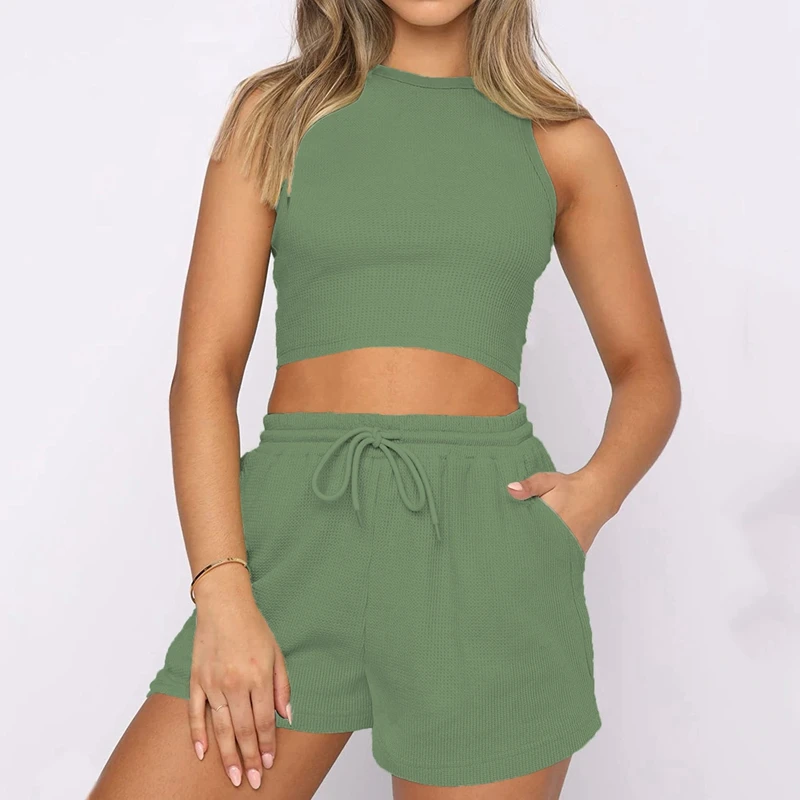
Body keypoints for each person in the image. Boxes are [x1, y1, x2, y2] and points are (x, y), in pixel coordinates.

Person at [91, 1, 680, 798]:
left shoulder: (562, 142)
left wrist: (591, 498)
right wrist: (222, 589)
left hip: (485, 553)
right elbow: (205, 370)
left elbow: (647, 370)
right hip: (292, 545)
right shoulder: (277, 116)